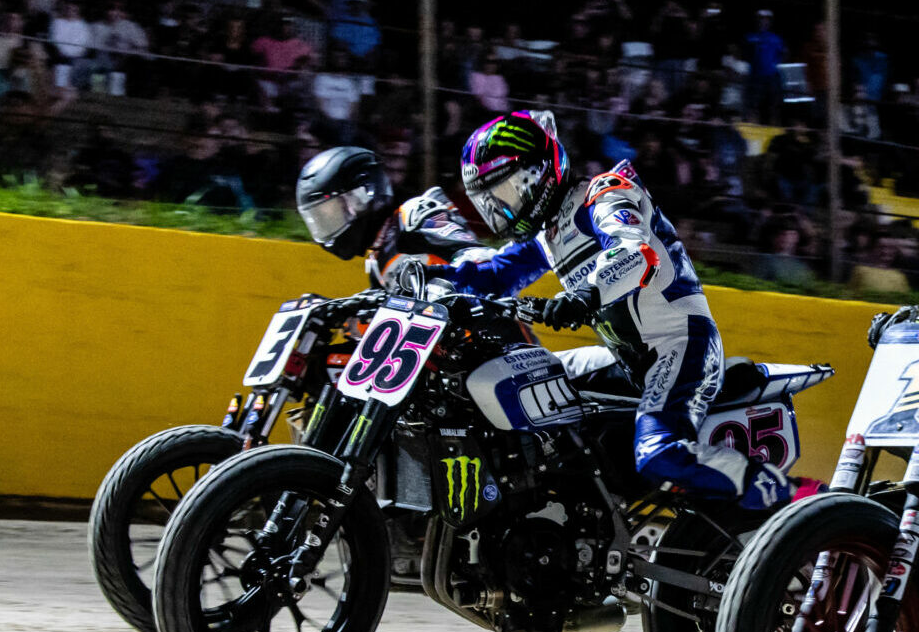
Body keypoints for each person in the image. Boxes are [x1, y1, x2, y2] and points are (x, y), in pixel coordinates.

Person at [439, 109, 812, 510]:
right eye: (491, 202)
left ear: (539, 173)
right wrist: (424, 279)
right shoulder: (549, 231)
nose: (502, 211)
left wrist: (583, 295)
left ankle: (790, 496)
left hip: (679, 345)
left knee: (658, 452)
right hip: (628, 358)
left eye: (507, 193)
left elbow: (635, 249)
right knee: (522, 384)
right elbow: (494, 272)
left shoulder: (605, 193)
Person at [294, 145, 488, 288]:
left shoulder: (412, 214)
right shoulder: (377, 259)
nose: (327, 224)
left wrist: (445, 284)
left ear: (362, 196)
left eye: (331, 214)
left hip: (480, 330)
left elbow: (475, 256)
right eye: (320, 219)